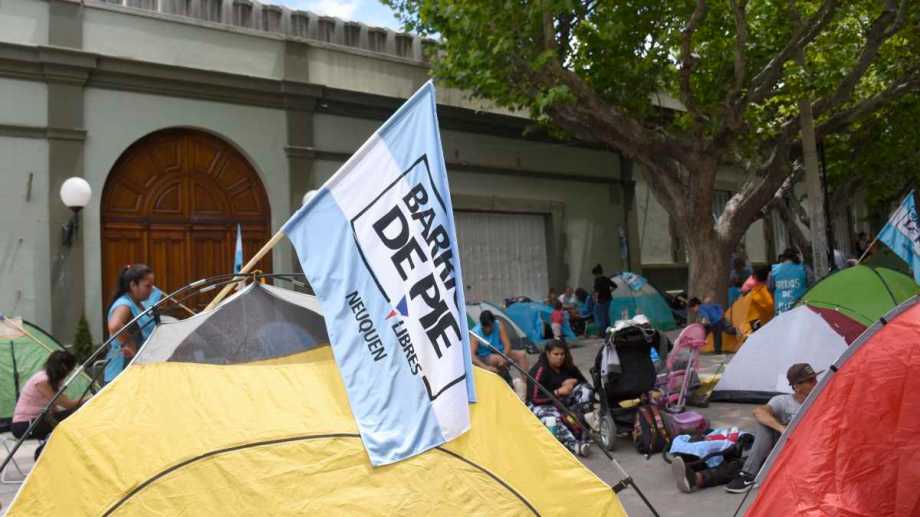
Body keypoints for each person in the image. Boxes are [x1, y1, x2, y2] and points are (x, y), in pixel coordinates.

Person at [723, 363, 821, 493]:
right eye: (810, 381)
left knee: (735, 465)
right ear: (797, 386)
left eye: (815, 379)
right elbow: (758, 411)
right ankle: (747, 474)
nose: (816, 383)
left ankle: (745, 471)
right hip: (782, 449)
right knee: (764, 423)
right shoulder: (782, 401)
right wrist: (782, 429)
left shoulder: (822, 400)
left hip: (808, 452)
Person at [11, 351, 84, 459]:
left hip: (38, 420)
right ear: (64, 368)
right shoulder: (43, 380)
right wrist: (87, 400)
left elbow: (55, 406)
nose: (70, 373)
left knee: (68, 420)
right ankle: (42, 453)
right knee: (74, 415)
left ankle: (51, 451)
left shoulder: (49, 378)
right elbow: (68, 405)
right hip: (25, 425)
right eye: (71, 369)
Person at [526, 340, 593, 456]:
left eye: (562, 354)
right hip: (543, 404)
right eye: (556, 354)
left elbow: (583, 381)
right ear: (548, 354)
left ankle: (586, 427)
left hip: (564, 401)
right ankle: (574, 445)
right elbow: (535, 398)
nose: (560, 357)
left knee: (585, 390)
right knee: (552, 420)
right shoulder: (540, 369)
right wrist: (557, 392)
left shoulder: (567, 365)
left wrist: (573, 381)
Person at [105, 264, 159, 384]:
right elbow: (114, 326)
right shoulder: (124, 304)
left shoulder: (138, 303)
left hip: (136, 369)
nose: (151, 290)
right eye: (147, 286)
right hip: (122, 371)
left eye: (152, 286)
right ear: (133, 285)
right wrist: (131, 346)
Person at [470, 311, 528, 375]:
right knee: (495, 359)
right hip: (485, 356)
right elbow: (472, 356)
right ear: (481, 324)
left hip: (500, 352)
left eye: (490, 326)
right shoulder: (476, 333)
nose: (487, 329)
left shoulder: (498, 325)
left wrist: (503, 356)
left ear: (493, 323)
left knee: (522, 355)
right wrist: (486, 367)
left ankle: (525, 380)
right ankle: (501, 376)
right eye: (485, 327)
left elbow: (507, 345)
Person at [768, 248, 810, 315]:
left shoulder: (774, 271)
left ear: (784, 257)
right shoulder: (804, 268)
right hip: (800, 309)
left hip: (781, 310)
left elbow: (770, 288)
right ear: (797, 256)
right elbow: (811, 285)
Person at [592, 265, 616, 336]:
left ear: (596, 274)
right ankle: (609, 332)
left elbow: (597, 292)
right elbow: (615, 286)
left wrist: (595, 300)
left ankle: (603, 333)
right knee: (606, 316)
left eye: (595, 274)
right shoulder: (606, 279)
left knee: (600, 317)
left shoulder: (597, 280)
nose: (595, 276)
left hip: (601, 300)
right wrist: (609, 291)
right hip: (608, 299)